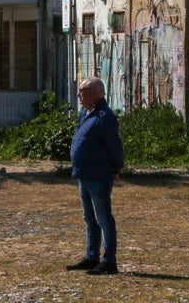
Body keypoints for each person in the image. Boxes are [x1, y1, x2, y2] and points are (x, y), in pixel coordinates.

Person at [66, 77, 124, 276]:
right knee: (89, 218)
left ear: (93, 93)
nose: (78, 95)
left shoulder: (104, 116)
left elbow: (114, 145)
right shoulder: (85, 114)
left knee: (103, 219)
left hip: (99, 175)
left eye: (81, 91)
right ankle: (92, 256)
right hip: (84, 174)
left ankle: (109, 262)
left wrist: (117, 167)